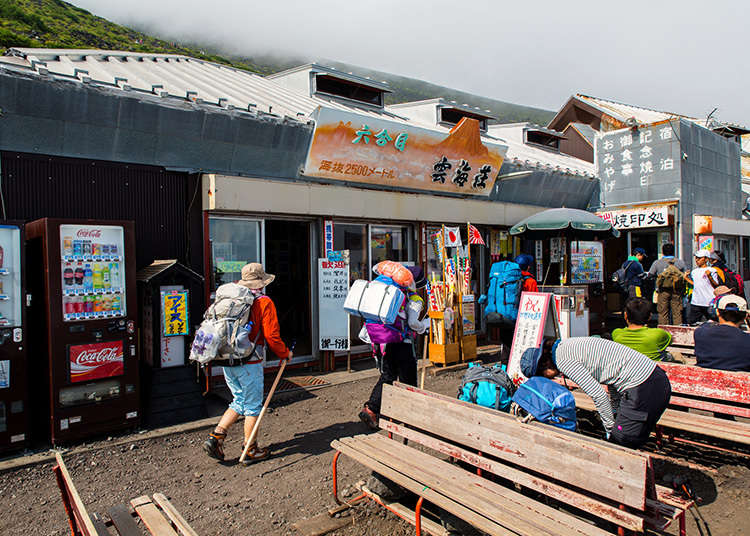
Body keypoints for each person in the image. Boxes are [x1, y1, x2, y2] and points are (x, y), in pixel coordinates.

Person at [203, 263, 293, 464]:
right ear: (261, 281)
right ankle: (250, 449)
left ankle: (216, 437)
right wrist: (285, 353)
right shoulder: (263, 302)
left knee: (239, 400)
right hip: (250, 361)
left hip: (227, 359)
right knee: (253, 406)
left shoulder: (232, 300)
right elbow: (272, 336)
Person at [521, 337, 671, 448]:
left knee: (620, 444)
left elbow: (599, 395)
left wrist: (610, 429)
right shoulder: (565, 346)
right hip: (653, 381)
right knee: (628, 441)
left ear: (544, 366)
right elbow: (611, 377)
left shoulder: (563, 360)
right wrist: (614, 411)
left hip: (644, 387)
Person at [359, 265, 431, 429]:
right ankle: (410, 416)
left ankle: (371, 408)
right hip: (403, 343)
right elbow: (413, 323)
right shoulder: (414, 298)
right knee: (408, 379)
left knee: (388, 375)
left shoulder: (391, 290)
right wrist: (425, 325)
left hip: (387, 339)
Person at [694, 294, 750, 371]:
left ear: (717, 312)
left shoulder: (700, 333)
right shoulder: (747, 339)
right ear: (745, 316)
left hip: (704, 380)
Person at [648, 243, 687, 325]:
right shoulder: (680, 262)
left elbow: (650, 275)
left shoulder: (657, 263)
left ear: (663, 252)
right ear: (673, 252)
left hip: (663, 291)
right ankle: (677, 330)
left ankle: (664, 331)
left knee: (662, 312)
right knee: (677, 313)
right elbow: (686, 276)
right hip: (677, 291)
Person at [684, 250, 721, 324]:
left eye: (699, 258)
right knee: (692, 323)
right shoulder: (694, 271)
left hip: (709, 302)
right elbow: (696, 284)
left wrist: (709, 276)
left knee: (713, 323)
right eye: (696, 258)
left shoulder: (712, 270)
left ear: (706, 259)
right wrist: (686, 278)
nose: (697, 260)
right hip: (696, 302)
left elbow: (716, 285)